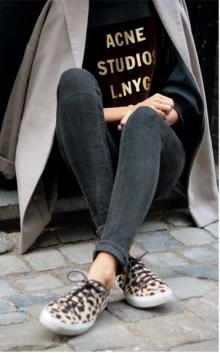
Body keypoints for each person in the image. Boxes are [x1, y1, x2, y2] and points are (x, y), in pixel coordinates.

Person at [39, 0, 204, 335]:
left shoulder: (163, 5)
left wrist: (144, 112)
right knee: (74, 80)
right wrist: (131, 106)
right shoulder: (68, 10)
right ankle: (122, 258)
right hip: (92, 161)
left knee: (143, 120)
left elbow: (185, 100)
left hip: (154, 158)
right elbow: (60, 112)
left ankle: (100, 274)